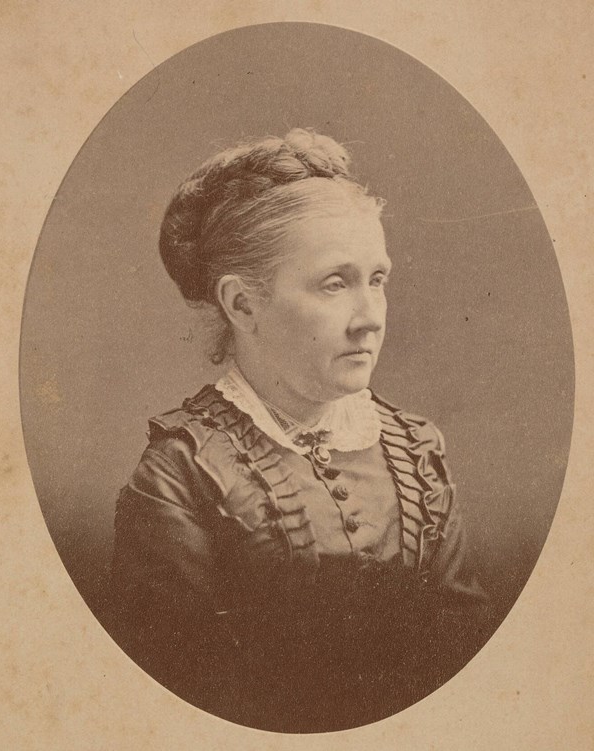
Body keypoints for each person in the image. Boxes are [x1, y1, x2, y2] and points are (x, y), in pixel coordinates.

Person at [110, 128, 486, 733]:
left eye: (377, 280)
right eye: (335, 283)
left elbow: (466, 655)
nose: (369, 320)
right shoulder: (181, 472)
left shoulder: (417, 452)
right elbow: (176, 697)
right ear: (242, 304)